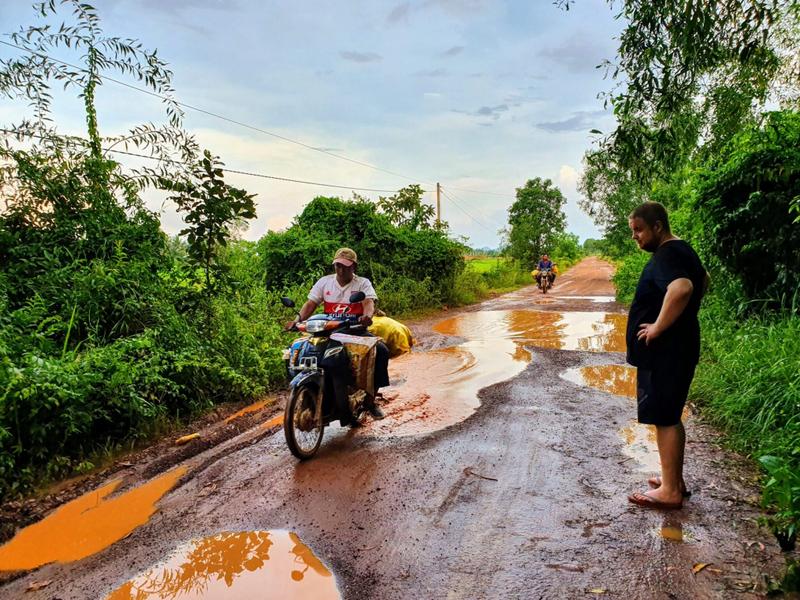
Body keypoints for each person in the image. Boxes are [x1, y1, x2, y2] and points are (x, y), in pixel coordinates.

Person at [625, 202, 709, 510]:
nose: (635, 236)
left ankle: (671, 491)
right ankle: (673, 480)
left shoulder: (667, 254)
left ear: (658, 226)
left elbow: (683, 288)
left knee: (665, 417)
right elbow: (704, 280)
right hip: (677, 348)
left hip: (667, 352)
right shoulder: (682, 250)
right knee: (669, 414)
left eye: (638, 230)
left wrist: (659, 326)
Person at [284, 247, 388, 422]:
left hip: (355, 331)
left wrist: (366, 317)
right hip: (329, 331)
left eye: (345, 266)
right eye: (338, 265)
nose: (341, 270)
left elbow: (368, 302)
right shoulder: (324, 282)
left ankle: (370, 401)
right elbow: (311, 304)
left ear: (353, 267)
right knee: (296, 351)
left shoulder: (362, 283)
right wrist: (297, 320)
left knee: (381, 351)